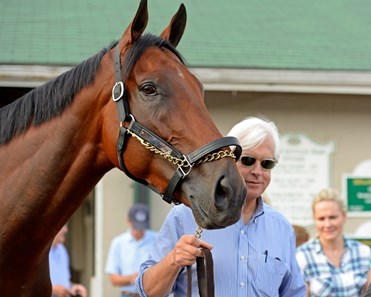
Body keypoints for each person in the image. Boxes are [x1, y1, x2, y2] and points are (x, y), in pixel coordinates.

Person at [135, 116, 306, 296]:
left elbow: (294, 292)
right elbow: (147, 292)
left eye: (267, 164)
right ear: (229, 160)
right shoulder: (185, 216)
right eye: (248, 160)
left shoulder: (282, 228)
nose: (257, 172)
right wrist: (173, 260)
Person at [296, 188, 371, 297]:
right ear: (314, 220)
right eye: (321, 219)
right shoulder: (302, 257)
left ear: (344, 216)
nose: (327, 224)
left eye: (333, 217)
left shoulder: (364, 252)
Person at [105, 203, 158, 297]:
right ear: (128, 221)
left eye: (142, 227)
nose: (139, 231)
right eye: (136, 227)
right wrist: (132, 278)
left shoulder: (157, 239)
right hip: (127, 295)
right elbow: (113, 279)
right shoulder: (118, 243)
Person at [49, 225, 87, 297]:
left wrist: (73, 288)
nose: (66, 230)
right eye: (62, 226)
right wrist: (52, 289)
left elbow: (65, 282)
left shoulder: (62, 250)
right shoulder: (39, 253)